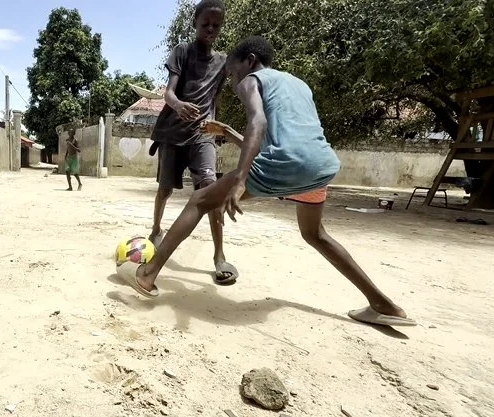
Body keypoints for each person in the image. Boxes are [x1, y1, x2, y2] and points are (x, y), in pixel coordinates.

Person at [117, 36, 416, 327]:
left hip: (285, 165)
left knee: (199, 199)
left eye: (232, 74)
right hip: (321, 166)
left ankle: (146, 275)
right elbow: (279, 140)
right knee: (315, 234)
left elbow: (258, 122)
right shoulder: (299, 85)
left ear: (250, 61)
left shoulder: (252, 80)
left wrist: (241, 179)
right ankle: (384, 305)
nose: (233, 84)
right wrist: (230, 133)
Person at [148, 0, 237, 284]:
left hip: (203, 135)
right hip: (173, 133)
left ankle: (219, 255)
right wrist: (178, 106)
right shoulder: (182, 52)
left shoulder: (223, 62)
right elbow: (169, 93)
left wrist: (218, 128)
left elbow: (216, 98)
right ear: (195, 24)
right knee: (164, 190)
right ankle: (155, 229)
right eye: (205, 24)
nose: (210, 29)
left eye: (216, 25)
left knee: (211, 192)